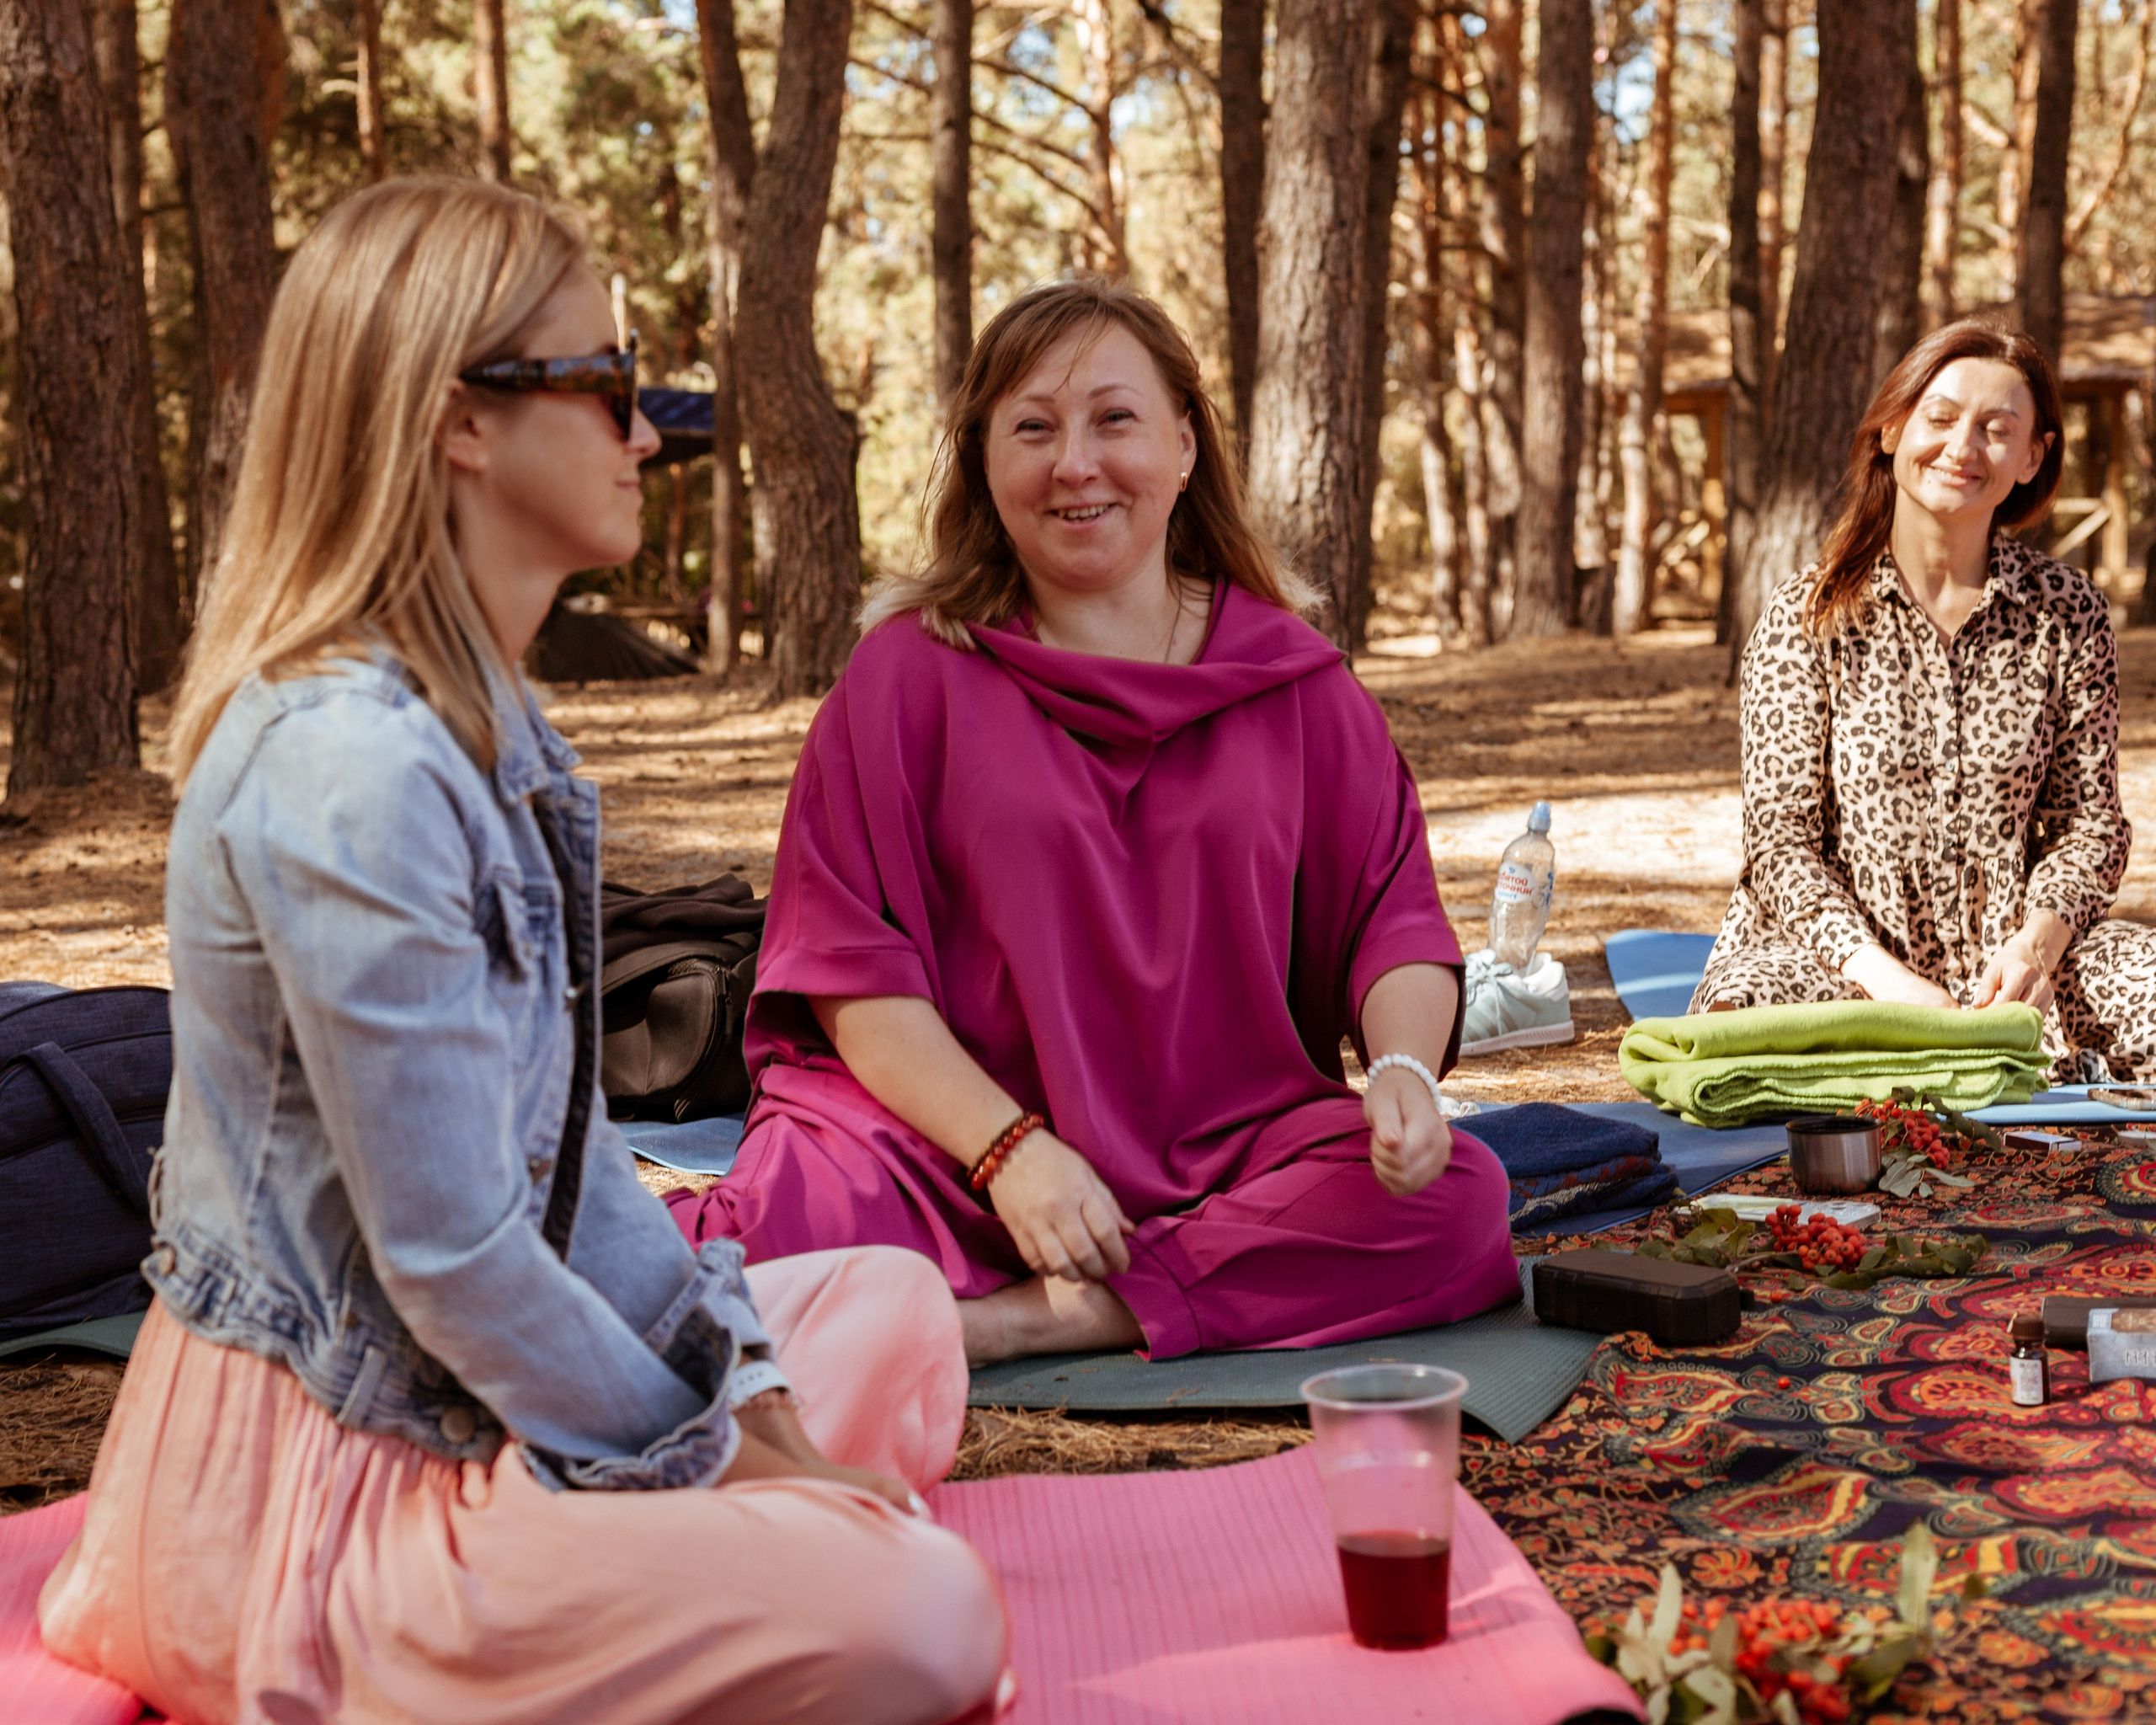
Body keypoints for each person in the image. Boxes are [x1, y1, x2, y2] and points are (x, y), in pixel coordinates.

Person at [37, 179, 1009, 1725]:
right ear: (459, 420)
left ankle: (705, 1557)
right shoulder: (348, 768)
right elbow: (455, 1255)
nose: (644, 434)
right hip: (333, 1489)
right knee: (931, 1616)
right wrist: (721, 1453)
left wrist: (748, 1407)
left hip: (473, 1397)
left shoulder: (489, 733)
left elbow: (576, 1167)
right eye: (608, 385)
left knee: (886, 1307)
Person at [667, 279, 1520, 1366]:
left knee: (1451, 1202)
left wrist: (1404, 1073)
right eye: (1033, 428)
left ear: (1184, 444)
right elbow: (849, 975)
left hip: (1222, 1152)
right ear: (986, 461)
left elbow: (1391, 926)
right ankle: (1133, 1282)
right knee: (773, 1240)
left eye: (1114, 419)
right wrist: (1011, 1153)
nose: (1075, 463)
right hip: (945, 1146)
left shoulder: (1298, 685)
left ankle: (1017, 1322)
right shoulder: (905, 680)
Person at [1694, 316, 2156, 1082]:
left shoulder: (2069, 612)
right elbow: (1780, 845)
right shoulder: (1808, 614)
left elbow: (2091, 826)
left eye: (1997, 429)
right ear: (1892, 430)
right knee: (1744, 1025)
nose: (1963, 447)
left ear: (2033, 456)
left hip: (2013, 975)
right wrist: (1891, 986)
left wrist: (2035, 950)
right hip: (1843, 967)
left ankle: (1984, 1056)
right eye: (1939, 418)